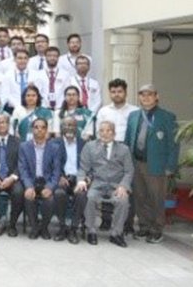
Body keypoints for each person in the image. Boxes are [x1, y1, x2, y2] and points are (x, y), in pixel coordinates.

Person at [124, 84, 180, 244]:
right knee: (140, 197)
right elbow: (128, 141)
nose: (146, 98)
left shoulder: (167, 117)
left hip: (156, 165)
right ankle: (144, 226)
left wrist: (170, 166)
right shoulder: (134, 115)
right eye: (142, 94)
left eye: (150, 94)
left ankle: (156, 229)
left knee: (156, 198)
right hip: (136, 163)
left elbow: (174, 144)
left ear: (157, 96)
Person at [76, 121, 134, 247]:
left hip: (116, 184)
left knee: (123, 200)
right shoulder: (90, 146)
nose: (105, 133)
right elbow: (83, 168)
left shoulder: (124, 149)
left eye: (108, 131)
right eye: (102, 130)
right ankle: (91, 230)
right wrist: (81, 180)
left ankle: (116, 233)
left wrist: (123, 186)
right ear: (98, 133)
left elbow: (129, 171)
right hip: (97, 183)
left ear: (114, 133)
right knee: (89, 198)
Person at [18, 118, 61, 239]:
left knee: (50, 199)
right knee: (28, 196)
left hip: (46, 181)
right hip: (31, 180)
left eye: (42, 127)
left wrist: (50, 187)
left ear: (47, 130)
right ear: (32, 130)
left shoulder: (54, 148)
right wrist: (28, 186)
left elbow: (56, 171)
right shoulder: (24, 147)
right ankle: (34, 227)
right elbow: (23, 169)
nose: (39, 130)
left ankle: (44, 227)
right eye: (36, 127)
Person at [51, 116, 87, 244]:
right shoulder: (54, 143)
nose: (69, 128)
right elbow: (51, 164)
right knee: (59, 193)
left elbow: (88, 166)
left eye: (72, 125)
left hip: (79, 178)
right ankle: (62, 227)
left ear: (77, 128)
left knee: (81, 195)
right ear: (61, 128)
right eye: (66, 125)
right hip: (63, 178)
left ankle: (73, 228)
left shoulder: (84, 144)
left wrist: (82, 180)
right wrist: (59, 176)